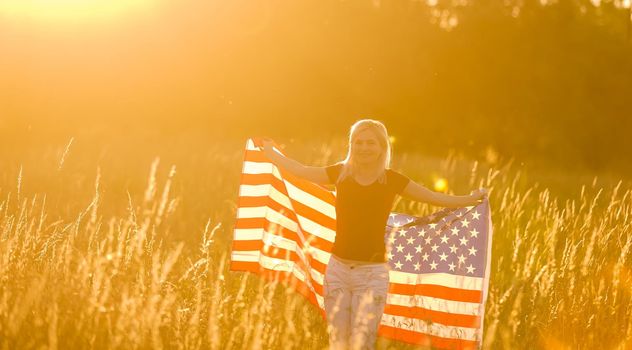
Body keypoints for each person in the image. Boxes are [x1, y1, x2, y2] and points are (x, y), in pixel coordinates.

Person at [260, 119, 488, 350]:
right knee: (338, 343)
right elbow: (301, 171)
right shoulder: (340, 174)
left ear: (381, 147)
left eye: (370, 143)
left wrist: (471, 199)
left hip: (372, 276)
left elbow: (436, 198)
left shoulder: (392, 180)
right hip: (337, 271)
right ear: (352, 145)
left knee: (362, 345)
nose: (364, 148)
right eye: (358, 142)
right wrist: (271, 152)